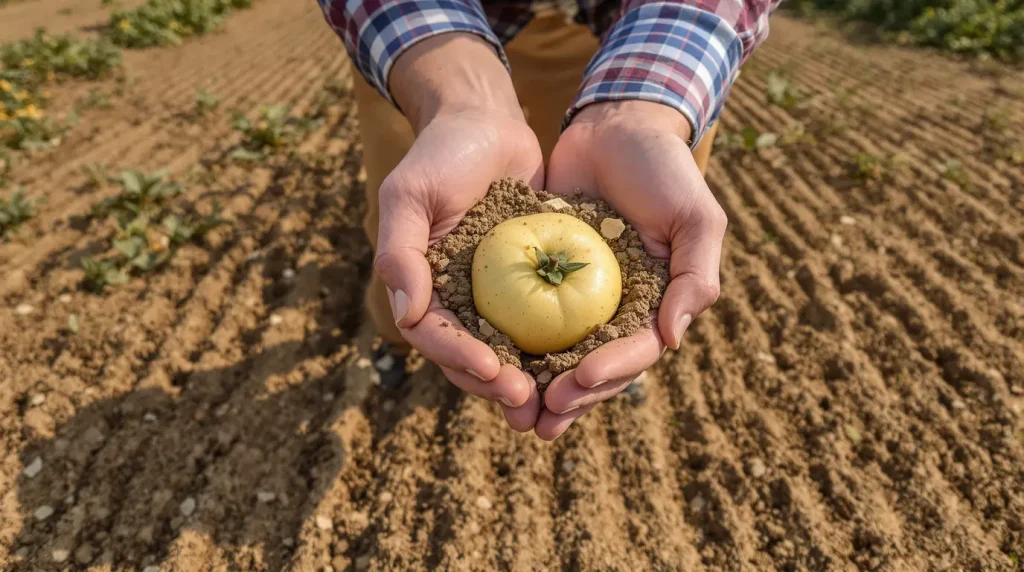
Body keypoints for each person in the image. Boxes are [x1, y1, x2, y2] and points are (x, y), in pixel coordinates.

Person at [317, 0, 779, 440]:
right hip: (421, 41)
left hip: (631, 35)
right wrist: (460, 102)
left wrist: (641, 114)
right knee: (412, 234)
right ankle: (393, 343)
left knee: (650, 210)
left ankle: (600, 355)